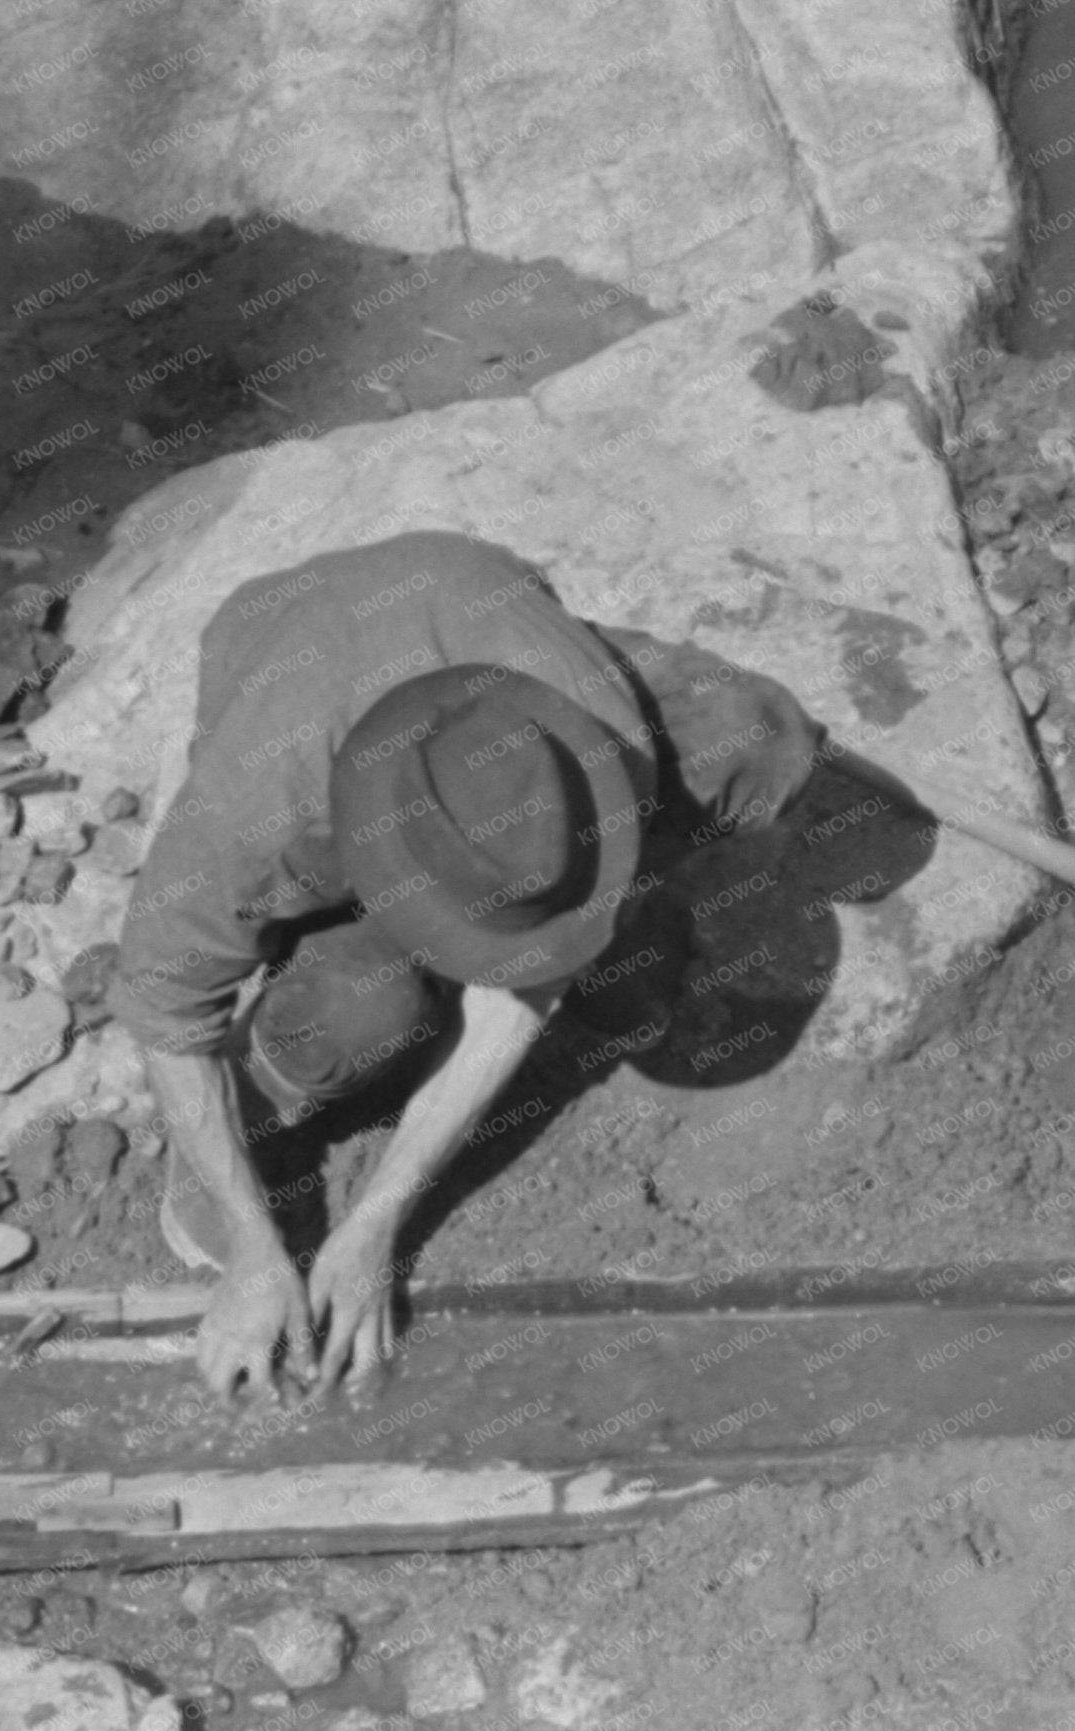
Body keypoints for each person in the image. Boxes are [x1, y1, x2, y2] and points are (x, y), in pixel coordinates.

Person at [105, 530, 822, 1402]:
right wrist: (258, 1256)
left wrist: (377, 1222)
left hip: (457, 600)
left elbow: (520, 1001)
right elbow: (166, 1015)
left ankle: (577, 911)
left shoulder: (586, 740)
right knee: (357, 1014)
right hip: (295, 677)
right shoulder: (253, 822)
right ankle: (248, 1114)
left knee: (754, 736)